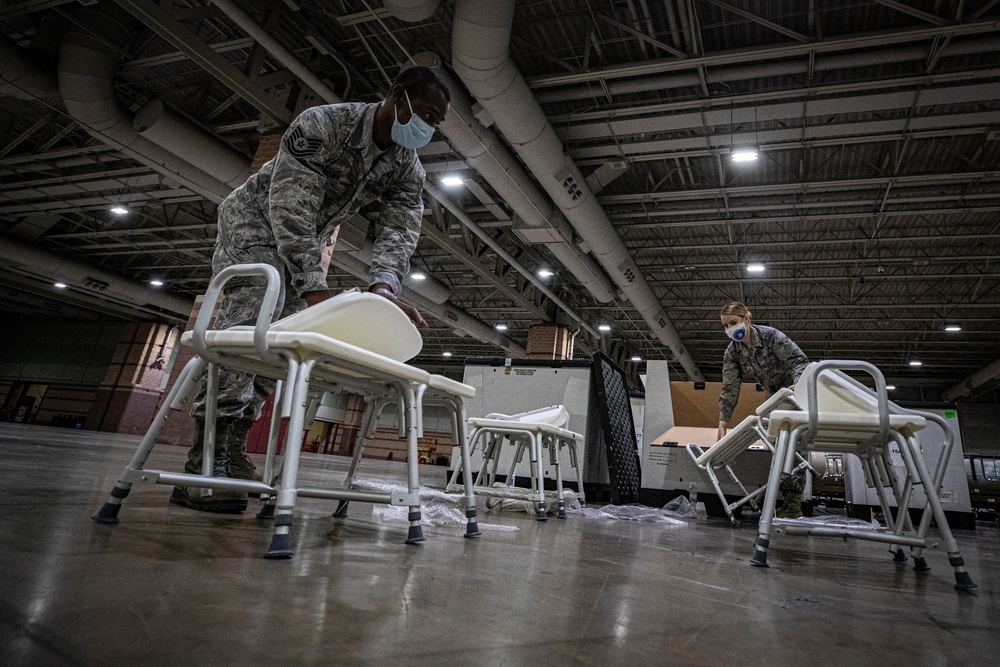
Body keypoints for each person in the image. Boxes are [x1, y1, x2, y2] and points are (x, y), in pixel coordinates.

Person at [170, 66, 450, 513]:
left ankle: (233, 444)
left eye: (437, 123)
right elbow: (290, 208)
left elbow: (400, 229)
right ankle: (203, 461)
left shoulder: (405, 165)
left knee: (283, 343)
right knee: (255, 315)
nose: (429, 128)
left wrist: (383, 288)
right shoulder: (322, 124)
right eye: (428, 114)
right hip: (254, 223)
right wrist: (313, 286)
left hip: (307, 237)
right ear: (397, 96)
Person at [717, 301, 810, 518]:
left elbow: (799, 361)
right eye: (725, 326)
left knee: (796, 447)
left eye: (733, 322)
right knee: (779, 449)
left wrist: (798, 384)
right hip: (774, 401)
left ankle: (793, 507)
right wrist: (723, 421)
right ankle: (786, 505)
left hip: (796, 396)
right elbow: (730, 387)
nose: (730, 329)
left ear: (746, 319)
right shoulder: (733, 352)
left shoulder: (771, 337)